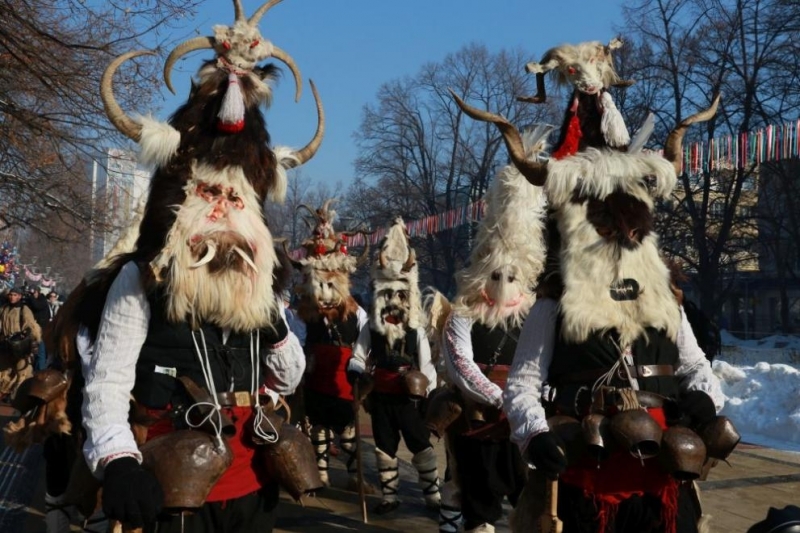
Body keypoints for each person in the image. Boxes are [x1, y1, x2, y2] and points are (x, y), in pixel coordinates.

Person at [51, 0, 324, 529]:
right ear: (180, 197)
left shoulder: (256, 284)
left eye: (235, 198)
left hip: (252, 484)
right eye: (209, 194)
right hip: (174, 483)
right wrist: (118, 460)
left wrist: (270, 320)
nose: (222, 209)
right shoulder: (141, 278)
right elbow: (108, 383)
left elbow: (290, 376)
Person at [438, 138, 549, 533]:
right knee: (478, 502)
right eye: (496, 274)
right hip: (478, 422)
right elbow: (461, 364)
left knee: (529, 502)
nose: (503, 282)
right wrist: (501, 398)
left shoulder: (536, 314)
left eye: (511, 275)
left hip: (522, 426)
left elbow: (543, 362)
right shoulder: (464, 313)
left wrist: (528, 403)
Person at [347, 218, 441, 514]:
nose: (393, 300)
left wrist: (428, 395)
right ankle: (390, 496)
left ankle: (433, 496)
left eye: (400, 294)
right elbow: (358, 355)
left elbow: (427, 364)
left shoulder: (415, 329)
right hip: (381, 398)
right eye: (388, 294)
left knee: (420, 444)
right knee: (384, 447)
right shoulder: (372, 327)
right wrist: (355, 372)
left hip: (409, 399)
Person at [290, 199, 369, 489]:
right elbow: (297, 342)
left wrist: (361, 367)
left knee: (347, 429)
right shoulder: (302, 314)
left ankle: (355, 476)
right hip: (315, 377)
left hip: (343, 379)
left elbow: (364, 342)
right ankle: (320, 475)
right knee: (319, 427)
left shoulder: (356, 313)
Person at [0, 286, 41, 399]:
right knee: (3, 370)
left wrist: (27, 338)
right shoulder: (4, 308)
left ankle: (19, 397)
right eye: (10, 295)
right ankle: (5, 392)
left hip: (20, 346)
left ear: (19, 296)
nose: (12, 297)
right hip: (5, 345)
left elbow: (31, 327)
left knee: (22, 372)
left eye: (15, 295)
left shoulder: (24, 309)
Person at [27, 286, 49, 371]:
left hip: (40, 329)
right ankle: (36, 368)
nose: (33, 294)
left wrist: (31, 297)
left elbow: (37, 306)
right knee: (34, 351)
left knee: (40, 351)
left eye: (35, 292)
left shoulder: (42, 300)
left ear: (38, 292)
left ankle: (40, 369)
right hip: (32, 329)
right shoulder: (31, 300)